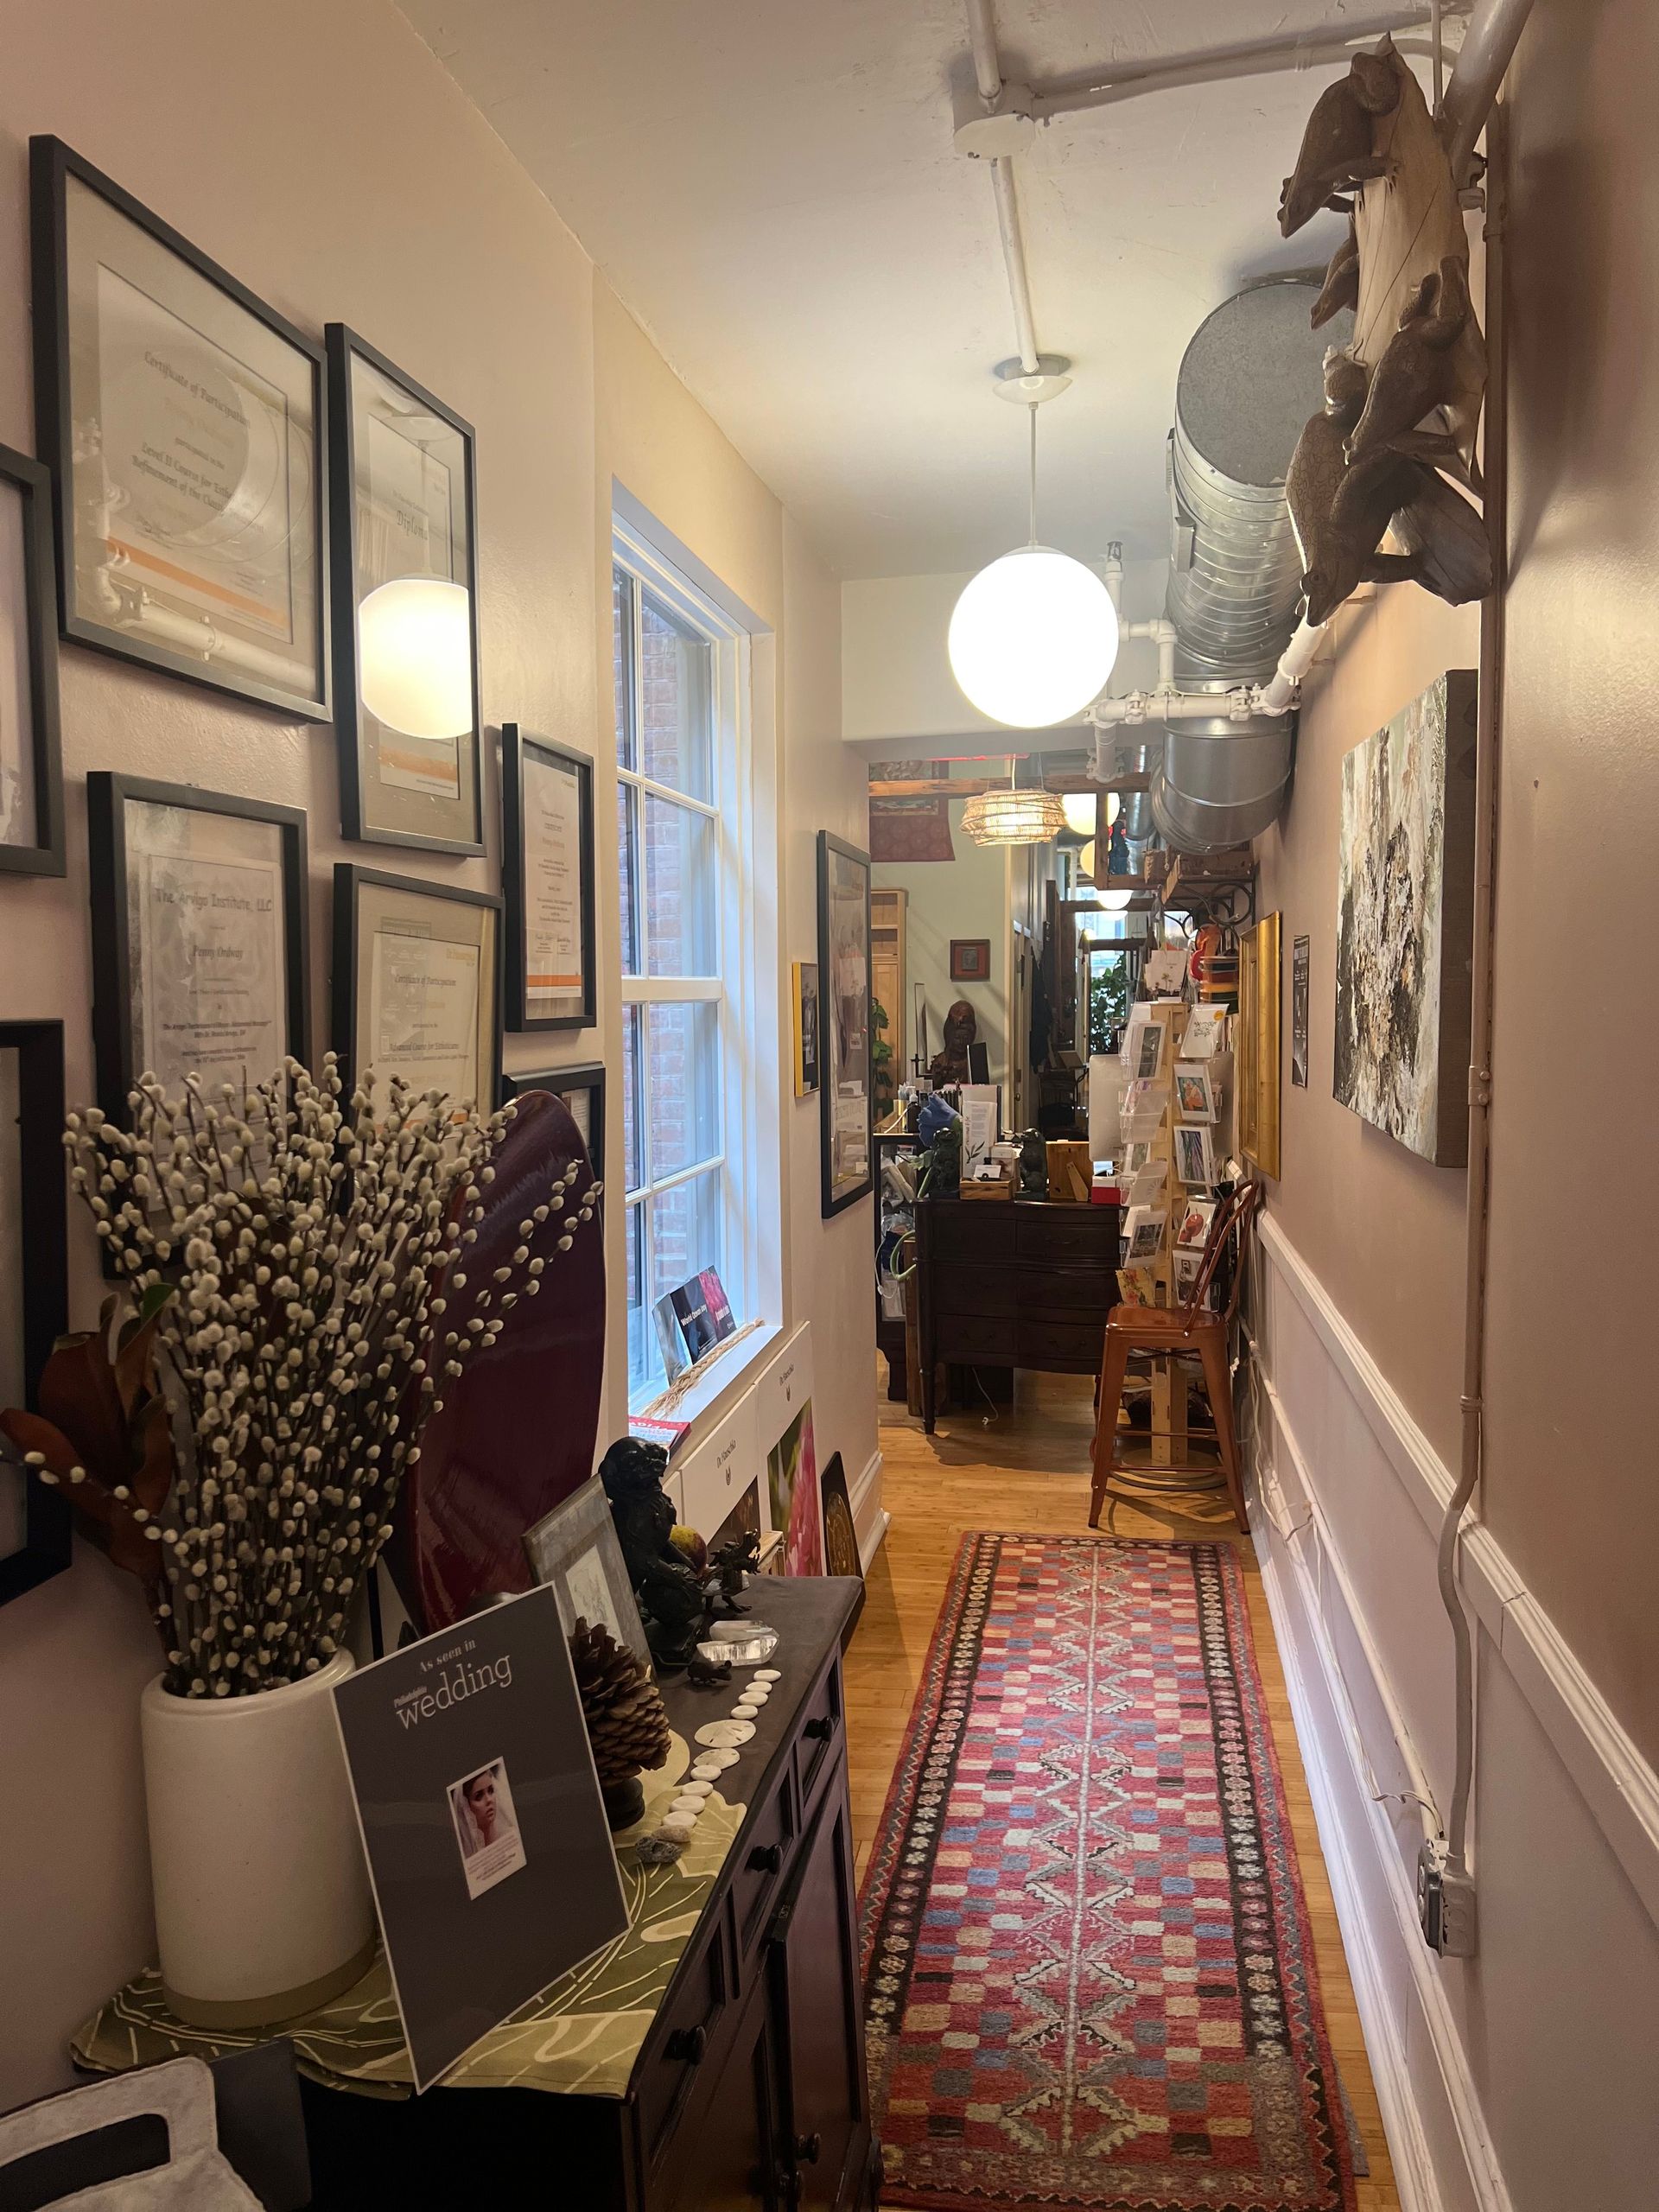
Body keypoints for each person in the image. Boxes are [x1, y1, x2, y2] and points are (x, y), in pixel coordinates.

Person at [454, 1764, 514, 1858]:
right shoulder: (471, 1856)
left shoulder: (512, 1836)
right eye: (479, 1796)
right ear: (467, 1808)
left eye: (491, 1791)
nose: (489, 1800)